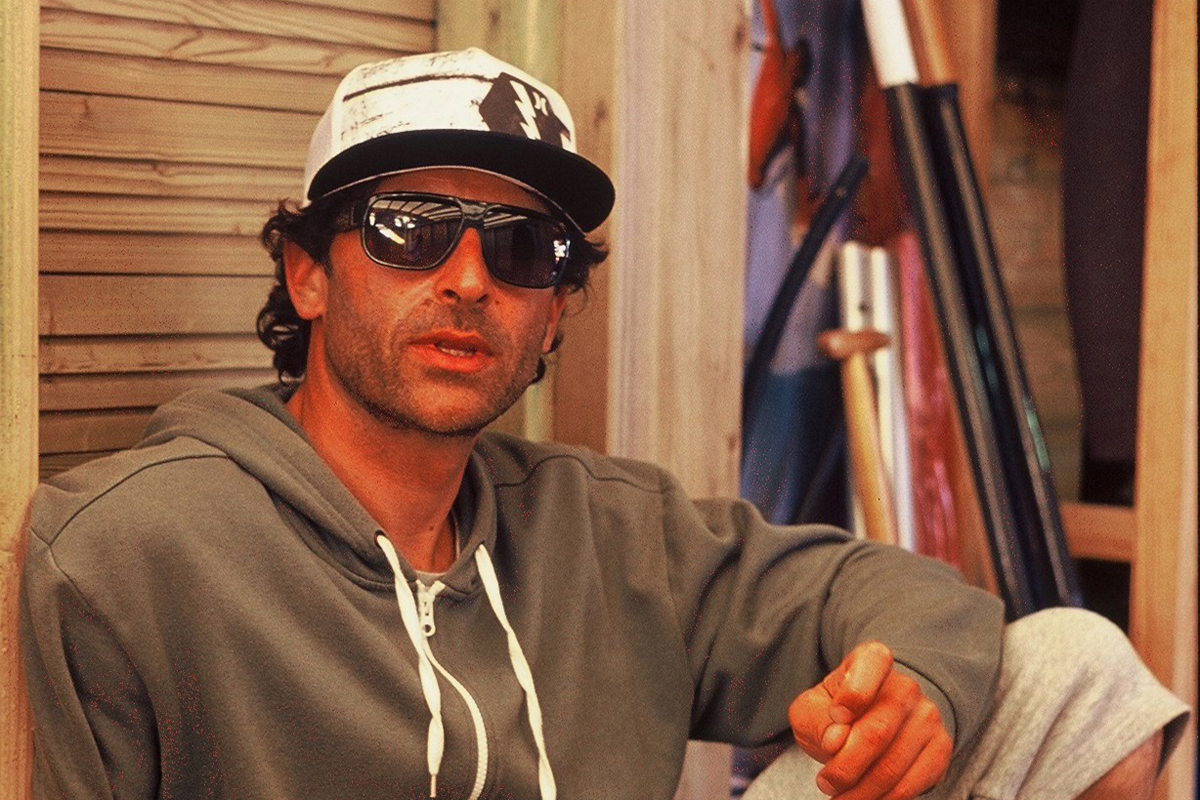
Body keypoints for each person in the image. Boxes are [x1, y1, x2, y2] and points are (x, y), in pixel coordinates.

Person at [20, 48, 1188, 800]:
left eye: (523, 248)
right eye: (411, 228)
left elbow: (889, 589)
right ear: (310, 271)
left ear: (556, 306)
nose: (468, 279)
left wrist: (916, 685)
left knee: (1076, 669)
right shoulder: (134, 549)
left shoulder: (611, 530)